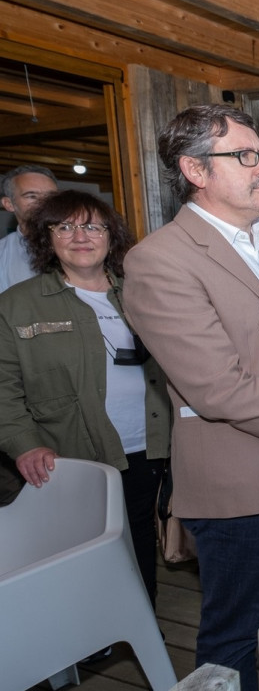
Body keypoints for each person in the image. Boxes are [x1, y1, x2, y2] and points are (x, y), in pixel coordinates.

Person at [122, 104, 259, 691]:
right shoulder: (158, 260)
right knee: (238, 640)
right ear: (195, 170)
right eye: (244, 156)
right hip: (240, 484)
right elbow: (219, 388)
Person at [0, 190, 170, 609]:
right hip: (70, 454)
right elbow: (3, 387)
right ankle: (89, 634)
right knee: (84, 547)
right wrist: (24, 445)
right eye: (65, 226)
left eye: (93, 225)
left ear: (111, 236)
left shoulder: (140, 294)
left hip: (150, 447)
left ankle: (140, 623)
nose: (81, 236)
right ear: (47, 238)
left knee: (141, 539)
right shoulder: (16, 305)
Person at [0, 166, 58, 292]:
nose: (44, 202)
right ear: (9, 204)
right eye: (32, 196)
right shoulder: (2, 254)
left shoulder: (83, 243)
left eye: (51, 196)